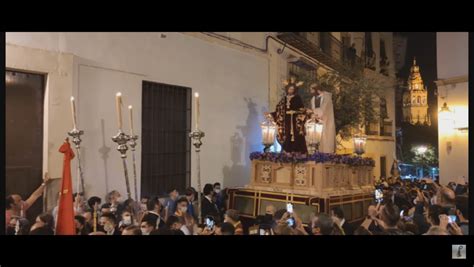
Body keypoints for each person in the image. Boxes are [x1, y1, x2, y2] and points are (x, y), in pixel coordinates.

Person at [266, 77, 307, 153]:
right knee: (287, 134)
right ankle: (286, 151)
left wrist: (296, 112)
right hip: (286, 121)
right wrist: (271, 114)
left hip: (295, 120)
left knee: (296, 135)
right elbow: (279, 110)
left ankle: (297, 151)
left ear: (295, 90)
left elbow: (302, 109)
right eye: (289, 89)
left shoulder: (297, 98)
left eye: (292, 89)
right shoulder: (284, 99)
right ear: (287, 89)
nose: (291, 90)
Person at [309, 83, 336, 153]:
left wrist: (312, 112)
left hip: (326, 121)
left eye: (311, 89)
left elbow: (324, 110)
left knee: (325, 139)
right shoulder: (313, 99)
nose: (310, 91)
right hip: (316, 122)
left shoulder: (326, 98)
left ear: (317, 90)